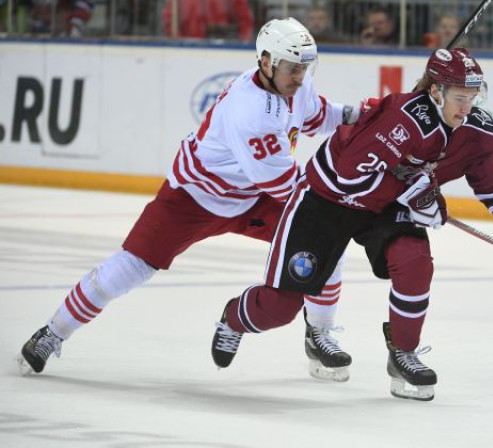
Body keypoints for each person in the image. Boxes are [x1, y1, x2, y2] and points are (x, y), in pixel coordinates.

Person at [17, 18, 362, 381]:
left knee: (325, 244)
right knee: (128, 269)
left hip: (253, 195)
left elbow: (319, 116)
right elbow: (286, 187)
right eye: (294, 68)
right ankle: (52, 332)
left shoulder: (293, 84)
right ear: (266, 62)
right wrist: (348, 197)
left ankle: (319, 333)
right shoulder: (250, 112)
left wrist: (363, 116)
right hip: (195, 197)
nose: (300, 76)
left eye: (305, 68)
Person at [210, 48, 493, 401]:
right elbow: (347, 176)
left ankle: (404, 353)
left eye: (473, 97)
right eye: (459, 98)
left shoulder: (478, 131)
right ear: (436, 92)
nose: (467, 107)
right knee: (279, 307)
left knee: (414, 261)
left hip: (385, 206)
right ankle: (233, 319)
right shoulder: (400, 117)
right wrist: (416, 192)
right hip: (327, 200)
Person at [163, 0, 254, 41]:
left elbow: (245, 19)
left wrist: (240, 44)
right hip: (189, 51)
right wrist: (181, 44)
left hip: (221, 50)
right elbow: (170, 21)